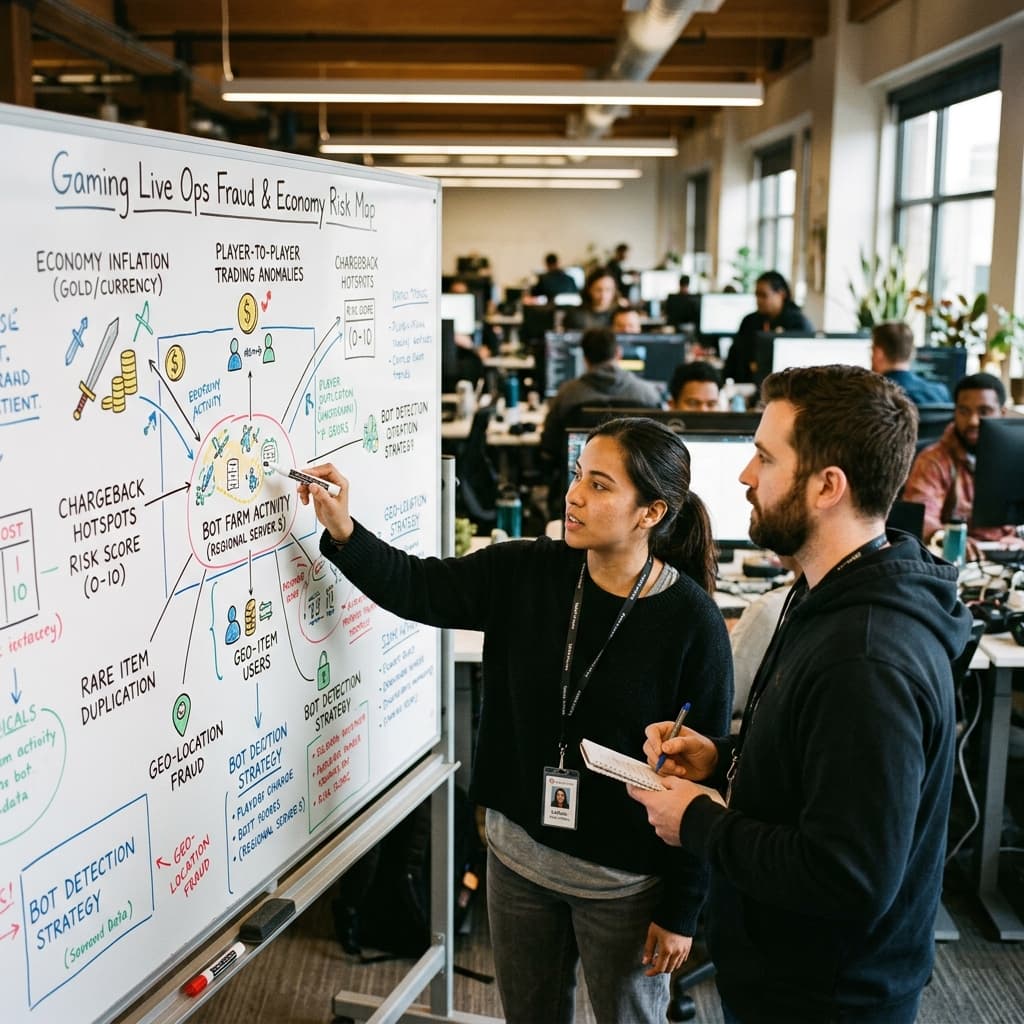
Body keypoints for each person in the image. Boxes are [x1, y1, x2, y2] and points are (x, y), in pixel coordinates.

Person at [300, 418, 733, 1024]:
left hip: (624, 881)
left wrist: (683, 910)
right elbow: (416, 587)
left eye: (601, 486)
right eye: (578, 476)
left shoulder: (693, 623)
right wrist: (342, 528)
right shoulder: (527, 571)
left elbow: (703, 781)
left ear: (650, 513)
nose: (574, 495)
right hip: (517, 858)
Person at [629, 365, 973, 1024]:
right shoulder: (824, 595)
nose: (744, 476)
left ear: (827, 486)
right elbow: (817, 768)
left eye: (764, 456)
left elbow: (848, 875)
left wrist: (696, 820)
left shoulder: (867, 660)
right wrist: (724, 759)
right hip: (786, 970)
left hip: (828, 997)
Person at [902, 371, 1021, 544]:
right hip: (959, 560)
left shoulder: (1017, 459)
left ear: (1002, 413)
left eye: (984, 411)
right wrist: (948, 539)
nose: (973, 421)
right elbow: (922, 518)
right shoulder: (933, 460)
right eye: (964, 411)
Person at [540, 327, 664, 476]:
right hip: (636, 479)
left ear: (585, 358)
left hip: (578, 479)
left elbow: (549, 449)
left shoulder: (567, 394)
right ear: (618, 353)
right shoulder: (649, 394)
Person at [723, 271, 813, 384]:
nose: (758, 300)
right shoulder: (749, 321)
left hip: (784, 386)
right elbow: (734, 356)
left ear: (781, 294)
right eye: (756, 295)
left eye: (763, 295)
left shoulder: (798, 324)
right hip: (747, 385)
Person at [869, 321, 951, 405]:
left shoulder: (873, 395)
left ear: (878, 353)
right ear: (912, 352)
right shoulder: (940, 392)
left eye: (871, 350)